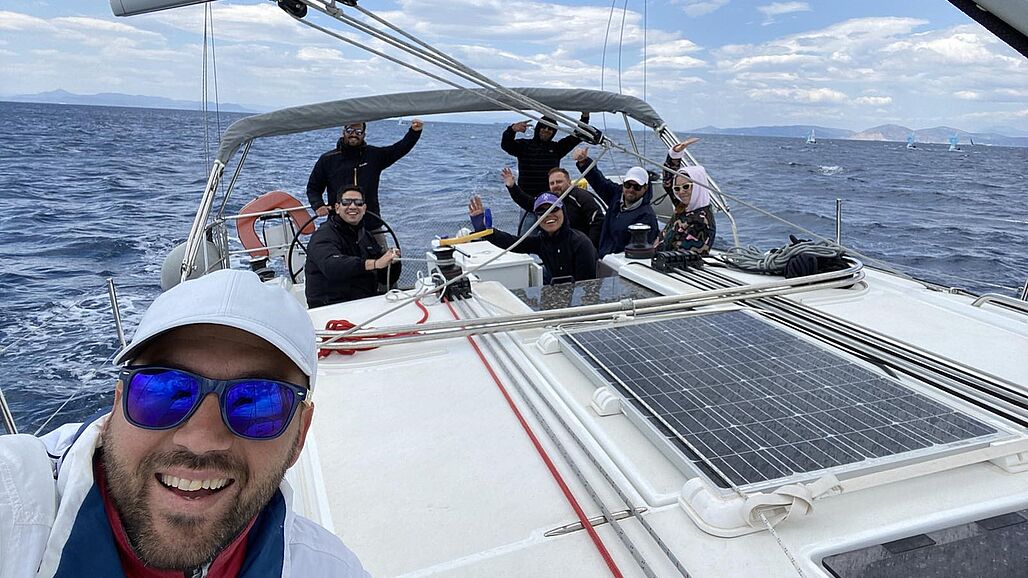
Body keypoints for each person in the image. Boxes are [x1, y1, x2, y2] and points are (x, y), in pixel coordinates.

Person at [0, 269, 370, 577]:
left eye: (257, 402)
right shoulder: (14, 509)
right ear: (117, 405)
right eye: (165, 391)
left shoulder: (329, 569)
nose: (200, 439)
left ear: (299, 435)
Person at [306, 118, 424, 235]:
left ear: (364, 134)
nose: (354, 134)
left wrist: (414, 132)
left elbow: (399, 149)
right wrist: (318, 205)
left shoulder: (374, 156)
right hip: (338, 226)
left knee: (384, 253)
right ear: (343, 132)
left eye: (358, 132)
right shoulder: (327, 159)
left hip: (371, 225)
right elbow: (313, 188)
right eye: (350, 130)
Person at [305, 185, 401, 308]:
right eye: (346, 202)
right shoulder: (323, 235)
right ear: (337, 208)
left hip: (364, 301)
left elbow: (384, 278)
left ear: (364, 208)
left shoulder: (366, 236)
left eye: (358, 203)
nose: (353, 206)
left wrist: (393, 262)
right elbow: (331, 266)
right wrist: (375, 263)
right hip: (330, 306)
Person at [468, 193, 596, 283]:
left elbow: (587, 286)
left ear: (564, 212)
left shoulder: (581, 243)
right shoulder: (541, 241)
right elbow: (513, 243)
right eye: (542, 212)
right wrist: (486, 232)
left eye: (554, 209)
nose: (549, 215)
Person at [571, 146, 659, 258]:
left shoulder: (647, 216)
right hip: (602, 257)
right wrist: (584, 161)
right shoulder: (616, 196)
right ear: (623, 183)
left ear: (645, 188)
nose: (631, 189)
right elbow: (599, 181)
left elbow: (640, 251)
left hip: (619, 264)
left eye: (637, 187)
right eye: (628, 185)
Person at [501, 166, 604, 249]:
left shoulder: (581, 196)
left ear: (569, 182)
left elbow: (597, 220)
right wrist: (512, 187)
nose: (555, 185)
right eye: (552, 183)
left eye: (559, 182)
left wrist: (590, 246)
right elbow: (528, 203)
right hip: (558, 248)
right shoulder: (550, 199)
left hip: (581, 246)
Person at [500, 113, 590, 198]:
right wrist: (512, 129)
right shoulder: (524, 146)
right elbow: (506, 145)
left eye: (550, 128)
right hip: (526, 199)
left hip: (550, 199)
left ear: (554, 132)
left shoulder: (557, 148)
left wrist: (585, 116)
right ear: (538, 128)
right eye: (543, 127)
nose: (546, 130)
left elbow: (578, 135)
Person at [658, 164, 717, 254]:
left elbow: (680, 255)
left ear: (698, 186)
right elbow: (668, 183)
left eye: (686, 186)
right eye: (677, 188)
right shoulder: (684, 207)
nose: (681, 192)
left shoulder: (700, 221)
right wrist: (675, 154)